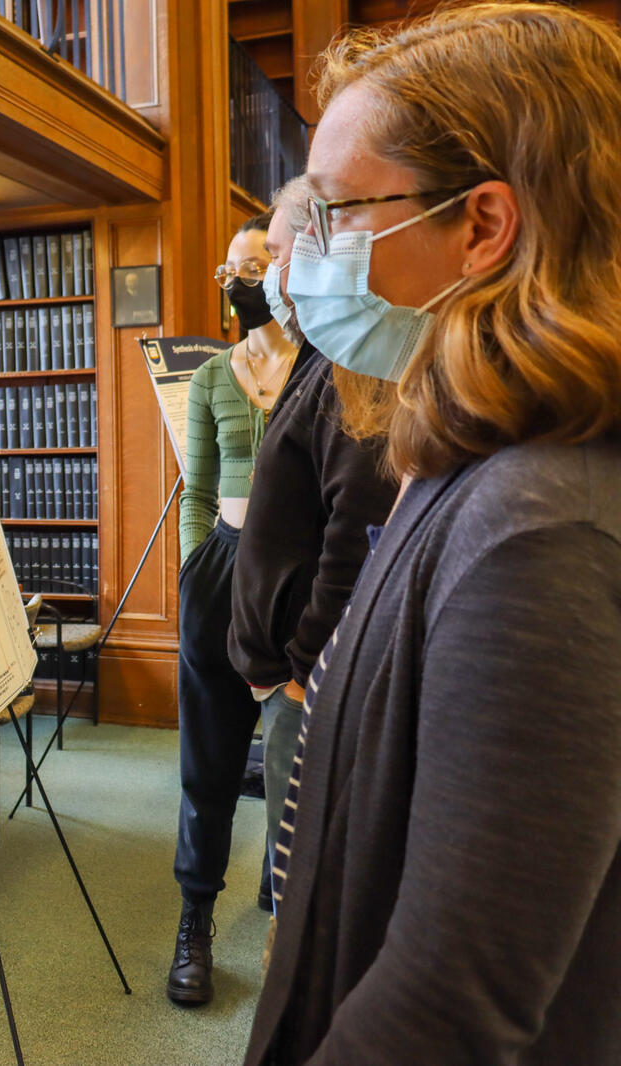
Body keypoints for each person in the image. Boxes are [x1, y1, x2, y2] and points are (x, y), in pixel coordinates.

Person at [247, 6, 621, 1063]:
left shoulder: (538, 527)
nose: (301, 258)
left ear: (481, 227)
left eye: (333, 214)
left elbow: (450, 1000)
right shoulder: (459, 454)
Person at [225, 175, 399, 926]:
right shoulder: (316, 356)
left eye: (278, 258)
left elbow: (354, 532)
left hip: (306, 679)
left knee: (306, 897)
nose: (270, 283)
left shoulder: (355, 364)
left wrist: (298, 669)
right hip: (287, 675)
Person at [167, 213, 298, 1006]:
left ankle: (292, 916)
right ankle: (193, 925)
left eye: (255, 265)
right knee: (208, 765)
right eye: (231, 272)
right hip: (220, 567)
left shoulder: (324, 369)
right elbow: (199, 489)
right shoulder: (212, 377)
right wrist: (193, 572)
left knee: (293, 762)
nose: (240, 281)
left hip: (293, 584)